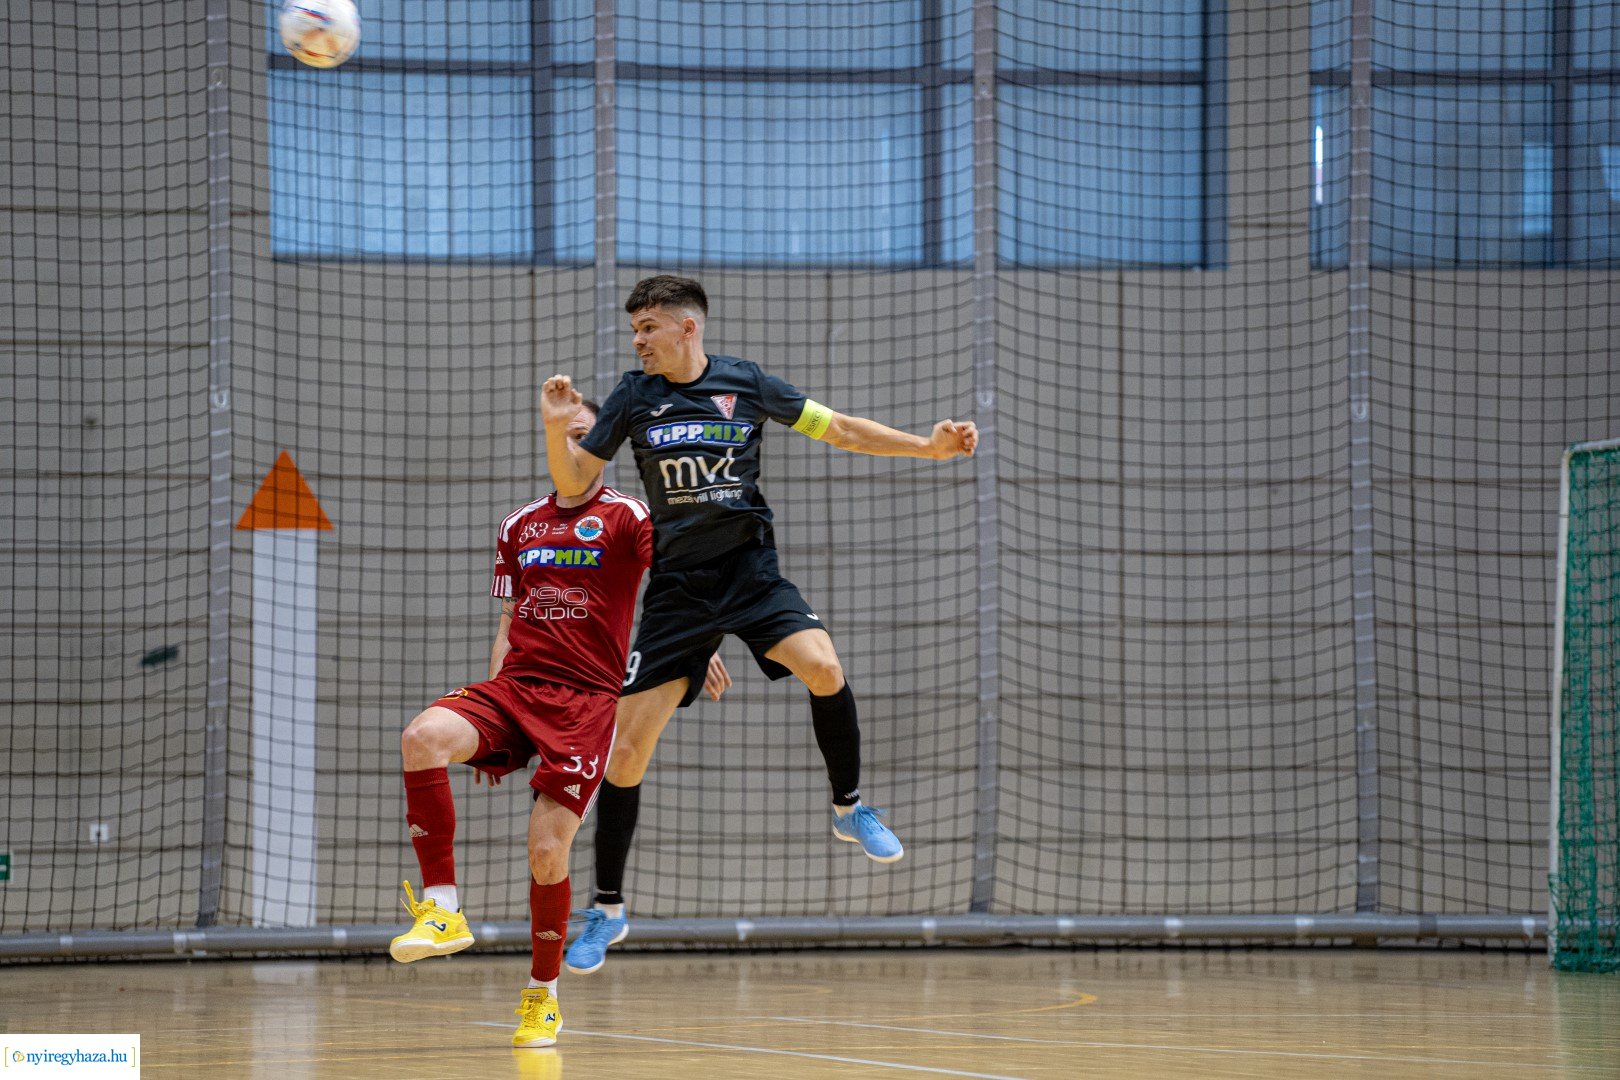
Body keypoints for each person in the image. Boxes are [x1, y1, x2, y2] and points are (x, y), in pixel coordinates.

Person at [540, 274, 979, 976]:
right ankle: (609, 911)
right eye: (634, 330)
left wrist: (928, 448)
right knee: (626, 753)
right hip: (679, 590)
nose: (637, 340)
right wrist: (552, 423)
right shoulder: (632, 396)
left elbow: (839, 429)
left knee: (825, 667)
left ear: (688, 328)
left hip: (750, 572)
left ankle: (849, 807)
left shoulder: (745, 384)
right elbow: (572, 487)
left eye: (648, 326)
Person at [387, 399, 661, 1049]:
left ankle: (542, 995)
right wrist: (489, 719)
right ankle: (444, 910)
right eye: (564, 434)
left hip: (587, 702)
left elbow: (680, 583)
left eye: (583, 436)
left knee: (546, 855)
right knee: (422, 736)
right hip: (515, 689)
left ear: (600, 448)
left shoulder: (629, 516)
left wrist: (691, 646)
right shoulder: (519, 524)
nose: (573, 446)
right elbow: (509, 621)